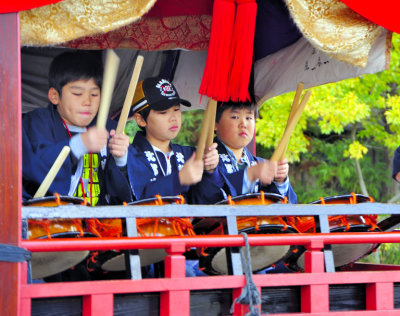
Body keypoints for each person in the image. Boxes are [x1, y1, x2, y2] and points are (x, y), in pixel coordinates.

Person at [22, 50, 132, 206]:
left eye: (94, 94)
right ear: (55, 96)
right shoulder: (38, 122)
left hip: (98, 225)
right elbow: (32, 169)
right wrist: (79, 145)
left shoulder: (109, 129)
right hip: (53, 224)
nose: (87, 101)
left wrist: (121, 161)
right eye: (77, 93)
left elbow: (122, 195)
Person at [126, 77, 234, 204]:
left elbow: (208, 205)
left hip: (186, 224)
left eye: (176, 109)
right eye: (163, 112)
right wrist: (179, 179)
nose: (173, 118)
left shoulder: (190, 154)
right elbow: (138, 200)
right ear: (140, 120)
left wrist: (210, 172)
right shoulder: (130, 156)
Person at [214, 101, 297, 203]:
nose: (243, 124)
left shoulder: (260, 165)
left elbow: (288, 209)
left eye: (249, 118)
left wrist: (279, 181)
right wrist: (250, 174)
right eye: (235, 117)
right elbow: (208, 198)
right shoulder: (201, 160)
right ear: (214, 124)